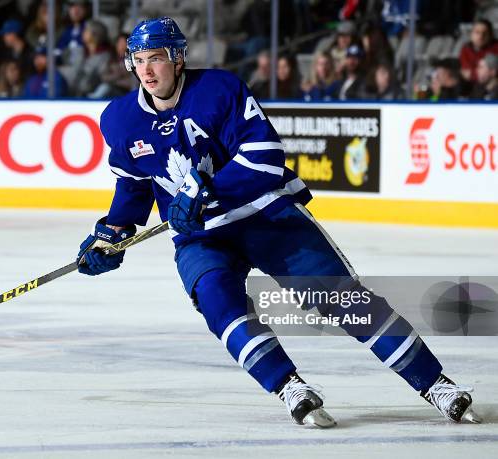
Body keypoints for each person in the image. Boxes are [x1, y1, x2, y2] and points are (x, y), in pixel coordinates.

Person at [76, 16, 481, 427]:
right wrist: (111, 233)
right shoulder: (120, 119)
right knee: (218, 303)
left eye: (156, 58)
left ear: (178, 59)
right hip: (202, 238)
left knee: (344, 301)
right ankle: (290, 386)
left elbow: (266, 157)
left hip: (266, 217)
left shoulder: (219, 89)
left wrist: (209, 189)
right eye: (139, 60)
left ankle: (435, 384)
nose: (147, 70)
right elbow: (134, 189)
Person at [459, 19, 498, 83]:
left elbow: (493, 73)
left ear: (490, 35)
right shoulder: (465, 48)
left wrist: (473, 73)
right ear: (471, 34)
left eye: (485, 33)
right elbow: (466, 73)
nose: (481, 36)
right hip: (472, 84)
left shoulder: (496, 47)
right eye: (477, 32)